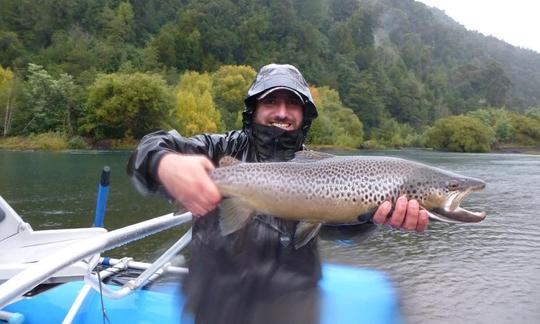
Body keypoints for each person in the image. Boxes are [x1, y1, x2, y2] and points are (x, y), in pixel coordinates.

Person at [127, 63, 428, 323]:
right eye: (271, 101)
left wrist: (368, 217)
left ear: (303, 114)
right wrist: (162, 162)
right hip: (215, 303)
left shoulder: (321, 168)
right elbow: (146, 152)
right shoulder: (217, 150)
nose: (282, 112)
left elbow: (338, 233)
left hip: (292, 307)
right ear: (254, 109)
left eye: (292, 104)